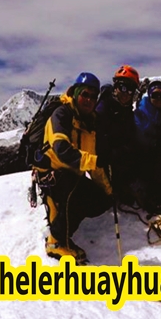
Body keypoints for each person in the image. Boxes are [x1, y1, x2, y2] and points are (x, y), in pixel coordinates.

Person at [37, 72, 113, 264]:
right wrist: (94, 161)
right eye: (85, 94)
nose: (89, 100)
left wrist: (109, 191)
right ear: (75, 93)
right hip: (51, 172)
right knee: (76, 194)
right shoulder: (62, 114)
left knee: (100, 201)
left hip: (70, 174)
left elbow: (94, 163)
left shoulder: (91, 122)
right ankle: (55, 241)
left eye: (93, 96)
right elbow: (61, 150)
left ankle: (60, 212)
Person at [95, 65, 140, 205]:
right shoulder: (104, 107)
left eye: (130, 89)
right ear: (115, 88)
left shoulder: (126, 111)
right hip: (102, 158)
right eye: (123, 88)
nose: (126, 93)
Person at [133, 80, 161, 215]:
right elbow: (138, 135)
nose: (158, 99)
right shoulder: (140, 112)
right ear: (149, 96)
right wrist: (156, 144)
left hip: (156, 152)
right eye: (155, 95)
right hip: (141, 152)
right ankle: (147, 196)